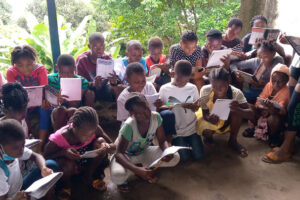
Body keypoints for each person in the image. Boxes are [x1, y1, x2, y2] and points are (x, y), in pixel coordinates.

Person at [110, 94, 179, 192]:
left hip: (143, 152)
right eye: (138, 113)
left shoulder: (156, 117)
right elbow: (119, 153)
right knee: (118, 176)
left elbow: (162, 140)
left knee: (175, 157)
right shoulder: (129, 125)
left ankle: (142, 169)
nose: (144, 115)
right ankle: (139, 170)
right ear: (131, 114)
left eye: (146, 109)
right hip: (126, 156)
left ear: (148, 105)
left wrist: (166, 151)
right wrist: (137, 170)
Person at [44, 107, 115, 199]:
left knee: (101, 142)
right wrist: (63, 152)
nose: (89, 137)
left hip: (87, 164)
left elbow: (113, 146)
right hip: (69, 169)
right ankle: (66, 185)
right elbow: (45, 156)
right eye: (85, 135)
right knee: (67, 164)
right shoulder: (60, 137)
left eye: (92, 133)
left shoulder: (95, 128)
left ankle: (89, 177)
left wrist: (106, 146)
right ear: (74, 127)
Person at [195, 68, 254, 157]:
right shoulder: (205, 90)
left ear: (228, 82)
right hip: (212, 119)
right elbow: (205, 113)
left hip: (227, 121)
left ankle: (233, 141)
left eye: (222, 87)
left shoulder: (235, 92)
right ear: (211, 84)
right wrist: (209, 118)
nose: (218, 90)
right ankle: (209, 137)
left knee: (237, 112)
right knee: (207, 131)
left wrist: (238, 109)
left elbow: (251, 114)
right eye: (214, 86)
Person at [262, 36, 300, 163]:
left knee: (294, 106)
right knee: (291, 104)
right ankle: (290, 144)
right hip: (298, 59)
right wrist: (291, 40)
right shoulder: (269, 86)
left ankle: (285, 149)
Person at [6, 45, 49, 152]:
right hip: (22, 104)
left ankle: (41, 143)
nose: (25, 69)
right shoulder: (11, 72)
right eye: (20, 65)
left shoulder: (40, 70)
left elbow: (45, 90)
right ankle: (24, 142)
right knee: (19, 114)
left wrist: (45, 101)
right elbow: (13, 94)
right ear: (15, 64)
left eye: (29, 64)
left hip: (39, 104)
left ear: (34, 61)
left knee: (45, 110)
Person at [159, 60, 204, 162]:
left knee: (199, 156)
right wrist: (175, 105)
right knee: (184, 158)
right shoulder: (164, 89)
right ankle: (182, 143)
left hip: (191, 127)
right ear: (173, 74)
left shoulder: (192, 88)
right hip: (177, 130)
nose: (181, 84)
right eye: (179, 80)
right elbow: (162, 107)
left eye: (185, 81)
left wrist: (193, 107)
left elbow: (196, 106)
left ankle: (188, 143)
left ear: (189, 77)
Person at [0, 119, 56, 200]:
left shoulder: (14, 150)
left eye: (23, 145)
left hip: (19, 189)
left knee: (51, 164)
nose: (22, 150)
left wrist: (44, 168)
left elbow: (36, 156)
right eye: (16, 148)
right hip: (10, 197)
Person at [242, 64, 289, 146]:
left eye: (280, 81)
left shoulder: (286, 91)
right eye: (273, 80)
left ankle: (273, 137)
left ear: (286, 81)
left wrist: (271, 110)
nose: (276, 84)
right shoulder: (268, 85)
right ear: (271, 78)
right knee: (247, 106)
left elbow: (282, 112)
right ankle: (254, 128)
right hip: (263, 113)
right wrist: (262, 107)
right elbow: (258, 101)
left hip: (274, 118)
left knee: (274, 118)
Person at [48, 54, 95, 131]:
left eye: (70, 73)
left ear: (74, 68)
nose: (66, 76)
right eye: (62, 73)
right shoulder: (50, 80)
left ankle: (89, 122)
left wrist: (73, 101)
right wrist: (58, 100)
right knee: (60, 111)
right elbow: (49, 101)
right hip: (57, 109)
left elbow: (76, 102)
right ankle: (58, 137)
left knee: (88, 95)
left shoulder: (82, 81)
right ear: (57, 68)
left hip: (75, 107)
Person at [76, 32, 118, 102]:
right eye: (95, 46)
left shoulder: (107, 58)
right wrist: (93, 84)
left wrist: (114, 81)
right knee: (90, 94)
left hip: (105, 87)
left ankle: (118, 112)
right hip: (89, 88)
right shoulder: (82, 60)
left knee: (119, 88)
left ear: (104, 46)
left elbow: (112, 82)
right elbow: (78, 81)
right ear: (89, 46)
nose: (99, 49)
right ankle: (90, 112)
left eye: (101, 46)